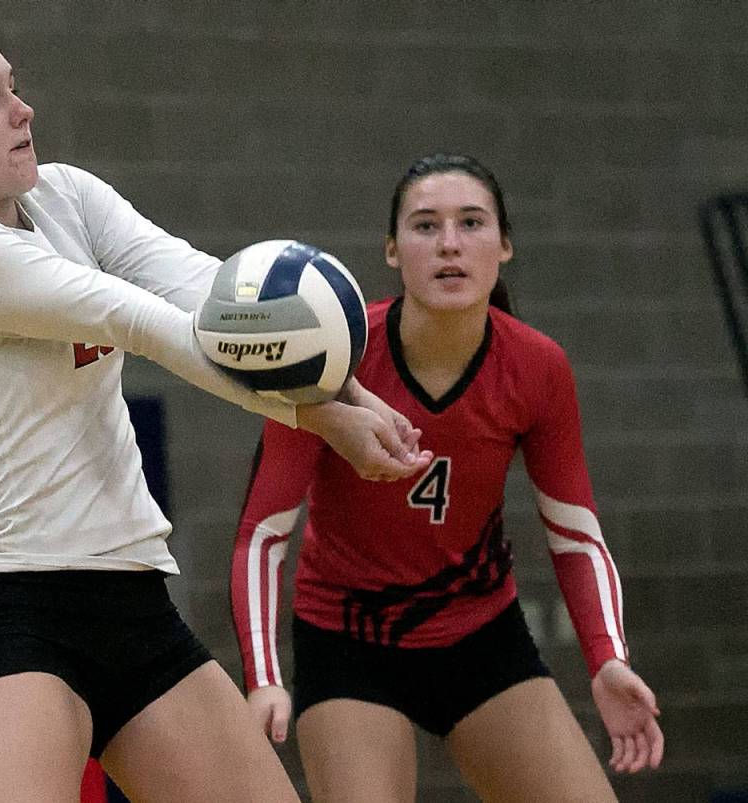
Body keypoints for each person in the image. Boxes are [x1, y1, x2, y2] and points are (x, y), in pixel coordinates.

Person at [0, 29, 431, 803]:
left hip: (133, 597)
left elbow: (210, 296)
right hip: (18, 614)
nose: (22, 109)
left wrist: (356, 391)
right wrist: (327, 421)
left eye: (14, 86)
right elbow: (146, 324)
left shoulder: (67, 194)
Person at [231, 153, 666, 802]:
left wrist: (608, 660)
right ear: (391, 250)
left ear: (506, 246)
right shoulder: (332, 354)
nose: (451, 245)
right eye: (426, 226)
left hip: (481, 636)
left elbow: (577, 534)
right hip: (348, 643)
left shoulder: (537, 366)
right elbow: (261, 534)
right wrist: (265, 676)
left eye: (472, 223)